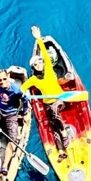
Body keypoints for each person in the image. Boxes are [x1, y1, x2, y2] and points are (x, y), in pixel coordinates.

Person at [21, 26, 70, 162]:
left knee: (54, 111)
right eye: (35, 64)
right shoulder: (34, 79)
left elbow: (43, 51)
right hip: (48, 104)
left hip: (61, 100)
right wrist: (23, 95)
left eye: (39, 62)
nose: (38, 64)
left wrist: (38, 38)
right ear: (33, 68)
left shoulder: (48, 67)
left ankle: (65, 134)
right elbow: (23, 88)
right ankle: (60, 150)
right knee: (53, 124)